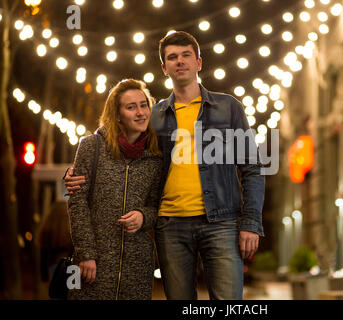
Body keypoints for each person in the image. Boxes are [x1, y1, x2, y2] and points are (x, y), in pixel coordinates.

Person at [66, 31, 265, 300]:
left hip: (220, 221)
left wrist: (250, 223)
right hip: (170, 226)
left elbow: (252, 168)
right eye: (172, 57)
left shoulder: (228, 107)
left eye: (186, 55)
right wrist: (76, 172)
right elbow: (117, 144)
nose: (179, 61)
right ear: (164, 68)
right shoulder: (154, 115)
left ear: (199, 62)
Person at [66, 79, 162, 300]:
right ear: (117, 115)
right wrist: (86, 253)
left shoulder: (156, 155)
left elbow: (158, 205)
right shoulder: (92, 146)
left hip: (137, 267)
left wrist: (143, 216)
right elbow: (77, 203)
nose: (140, 113)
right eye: (131, 107)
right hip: (94, 263)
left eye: (143, 105)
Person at [36, 200, 73, 283]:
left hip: (53, 267)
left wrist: (44, 277)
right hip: (72, 268)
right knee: (72, 294)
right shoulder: (71, 231)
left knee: (57, 293)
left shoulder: (46, 230)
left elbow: (44, 256)